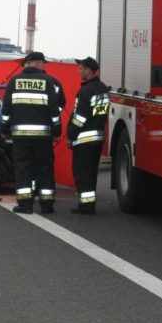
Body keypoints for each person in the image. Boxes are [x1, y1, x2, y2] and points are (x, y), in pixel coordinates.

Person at [1, 52, 66, 214]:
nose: (44, 66)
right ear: (37, 63)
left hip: (20, 136)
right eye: (43, 63)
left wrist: (5, 130)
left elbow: (6, 111)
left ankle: (25, 205)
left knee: (23, 169)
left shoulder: (14, 81)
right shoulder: (48, 82)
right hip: (43, 137)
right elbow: (54, 110)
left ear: (27, 64)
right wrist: (56, 131)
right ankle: (47, 205)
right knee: (45, 168)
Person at [67, 56, 110, 215]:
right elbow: (100, 115)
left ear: (89, 71)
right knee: (91, 173)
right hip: (96, 138)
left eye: (81, 68)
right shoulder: (102, 89)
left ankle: (85, 206)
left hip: (83, 139)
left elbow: (80, 117)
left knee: (82, 173)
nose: (78, 71)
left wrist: (71, 133)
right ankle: (89, 205)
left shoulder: (85, 91)